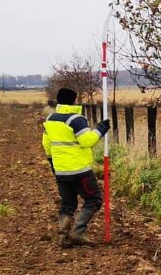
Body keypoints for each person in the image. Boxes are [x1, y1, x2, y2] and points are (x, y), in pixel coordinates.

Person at [42, 88, 110, 247]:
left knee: (68, 203)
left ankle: (63, 236)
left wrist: (53, 163)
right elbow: (87, 141)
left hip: (60, 169)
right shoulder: (76, 119)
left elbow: (46, 144)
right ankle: (78, 232)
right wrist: (101, 128)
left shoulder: (50, 118)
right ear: (74, 100)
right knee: (94, 200)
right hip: (80, 170)